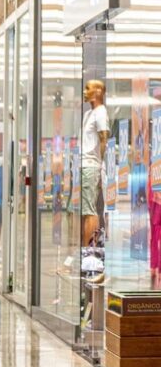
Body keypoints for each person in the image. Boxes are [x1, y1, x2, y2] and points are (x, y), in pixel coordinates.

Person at [81, 79, 109, 246]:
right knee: (85, 211)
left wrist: (99, 168)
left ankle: (89, 252)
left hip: (91, 165)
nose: (85, 91)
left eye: (88, 88)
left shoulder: (100, 112)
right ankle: (85, 251)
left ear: (98, 91)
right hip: (85, 166)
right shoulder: (88, 114)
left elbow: (104, 140)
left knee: (90, 211)